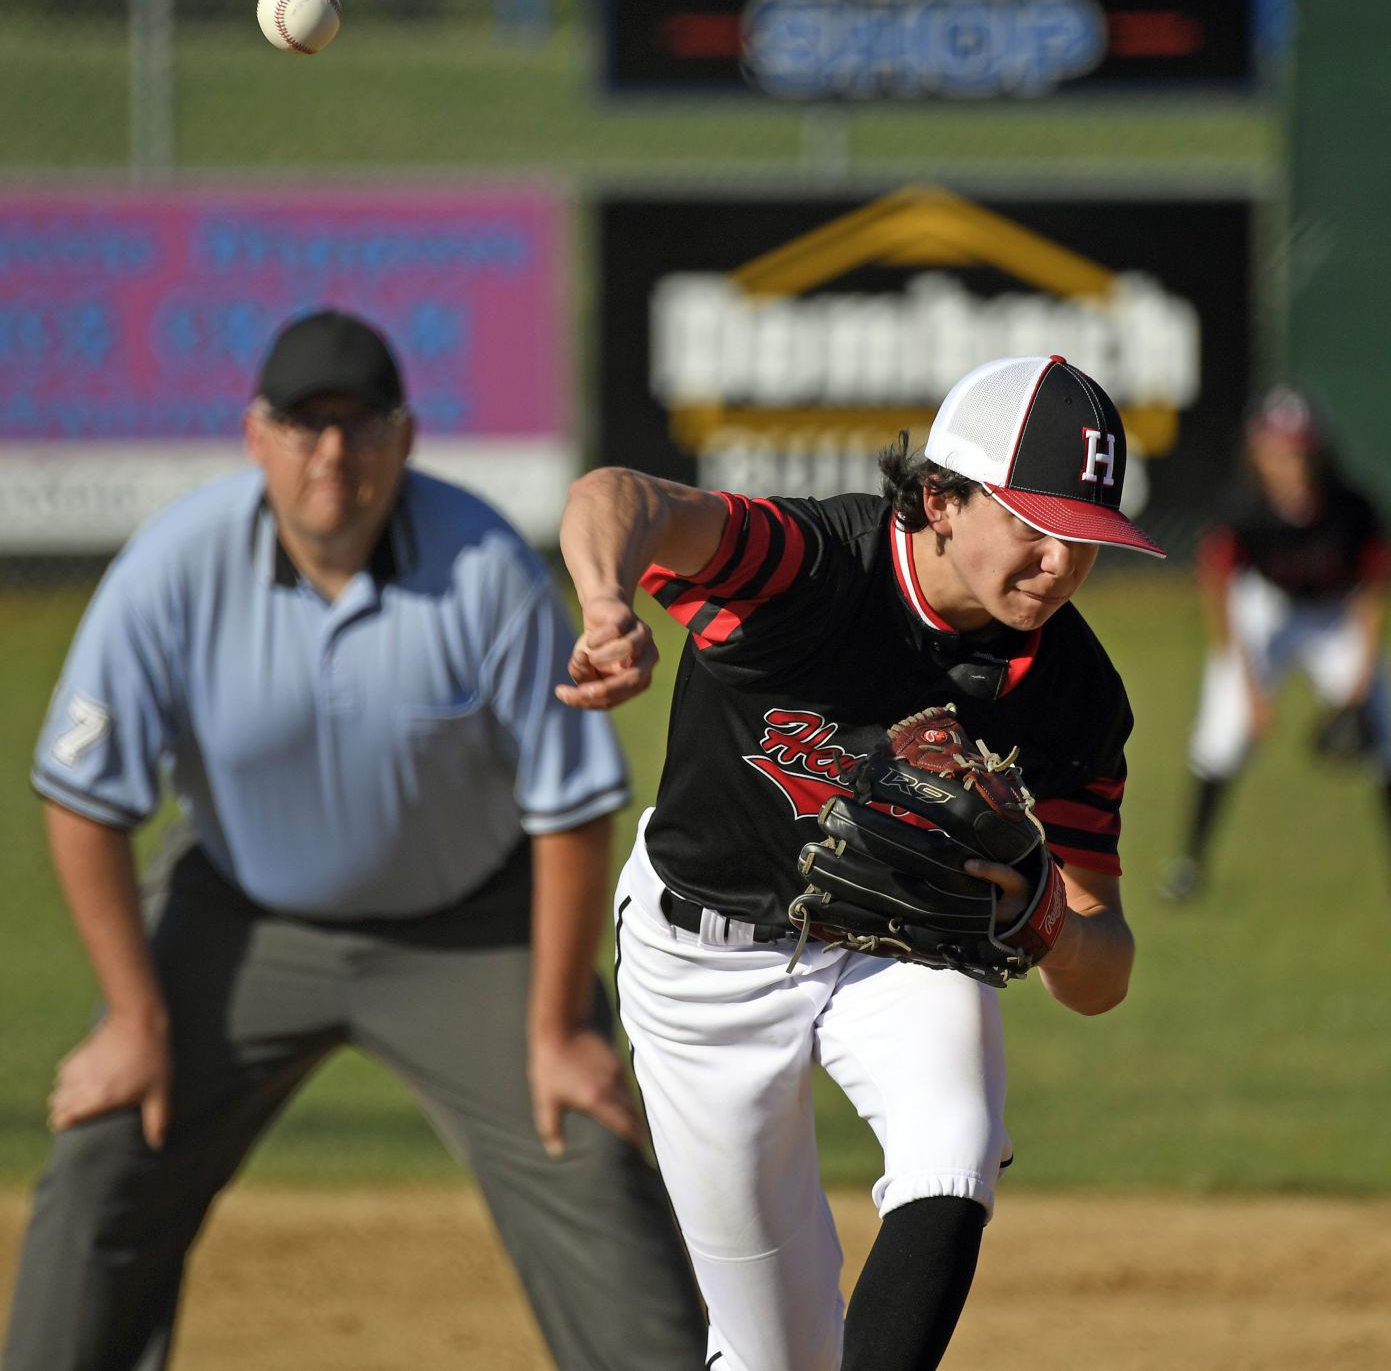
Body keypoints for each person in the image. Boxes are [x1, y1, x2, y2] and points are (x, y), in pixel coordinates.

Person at [3, 309, 706, 1371]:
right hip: (241, 916)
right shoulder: (171, 568)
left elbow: (568, 805)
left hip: (470, 930)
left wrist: (560, 1026)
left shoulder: (483, 567)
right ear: (256, 437)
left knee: (584, 1141)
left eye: (360, 423)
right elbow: (83, 798)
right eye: (303, 424)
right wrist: (134, 1019)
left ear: (404, 436)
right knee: (108, 1137)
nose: (332, 453)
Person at [554, 354, 1166, 1371]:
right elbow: (615, 496)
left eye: (1085, 536)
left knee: (953, 1152)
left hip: (903, 945)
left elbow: (1103, 971)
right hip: (702, 963)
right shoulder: (810, 566)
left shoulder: (1074, 692)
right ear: (941, 499)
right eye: (1032, 524)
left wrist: (1049, 921)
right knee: (774, 1352)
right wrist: (606, 603)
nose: (1060, 563)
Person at [1159, 384, 1391, 901]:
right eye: (1276, 450)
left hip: (1334, 615)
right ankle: (1188, 867)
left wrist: (1359, 678)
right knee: (1223, 734)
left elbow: (1371, 587)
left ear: (1316, 451)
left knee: (1385, 731)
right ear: (1257, 453)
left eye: (1297, 450)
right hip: (1263, 610)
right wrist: (1251, 689)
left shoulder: (1350, 505)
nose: (1288, 463)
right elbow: (1218, 583)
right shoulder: (1244, 506)